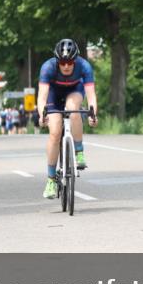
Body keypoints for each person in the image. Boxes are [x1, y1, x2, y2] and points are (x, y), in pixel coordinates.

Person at [37, 38, 99, 199]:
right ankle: (51, 179)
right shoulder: (47, 67)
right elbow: (42, 96)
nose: (66, 66)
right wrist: (41, 114)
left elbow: (91, 96)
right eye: (62, 62)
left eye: (70, 62)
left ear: (75, 60)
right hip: (54, 94)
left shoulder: (84, 66)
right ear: (57, 61)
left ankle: (79, 152)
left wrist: (93, 114)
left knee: (73, 108)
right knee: (55, 132)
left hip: (74, 90)